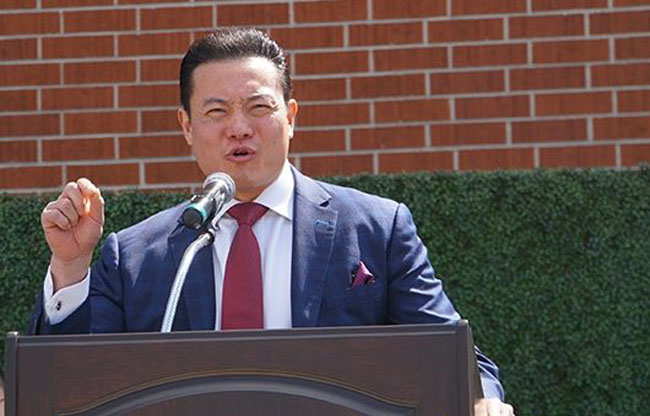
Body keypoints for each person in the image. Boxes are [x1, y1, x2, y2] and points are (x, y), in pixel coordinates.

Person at [28, 27, 515, 415]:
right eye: (216, 111)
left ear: (291, 116)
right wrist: (70, 267)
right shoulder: (136, 255)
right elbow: (71, 384)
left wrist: (483, 402)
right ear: (187, 126)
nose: (239, 128)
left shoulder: (376, 228)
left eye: (259, 107)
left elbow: (454, 356)